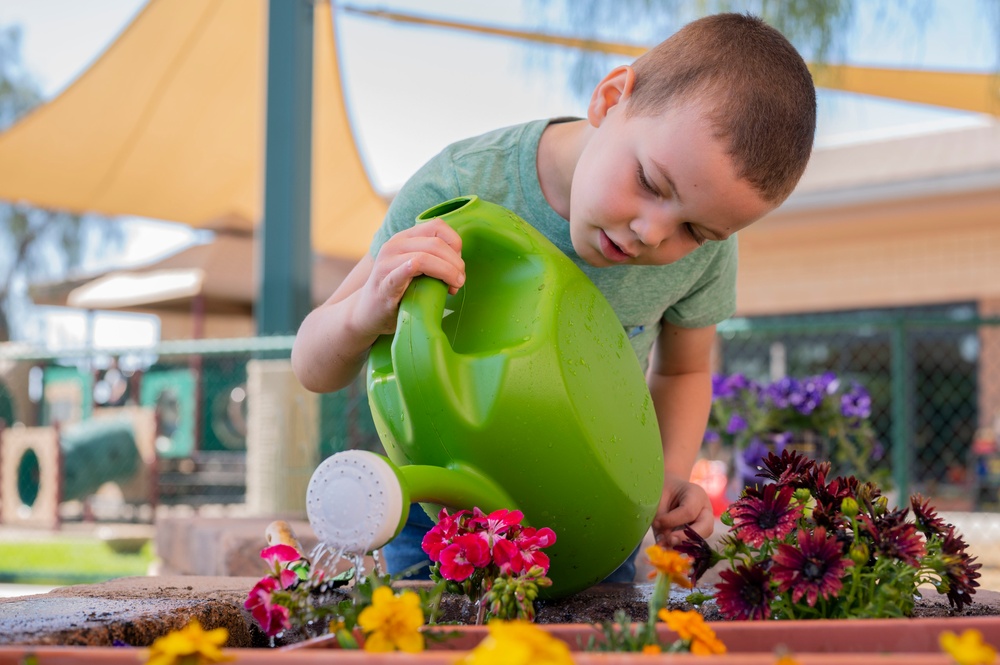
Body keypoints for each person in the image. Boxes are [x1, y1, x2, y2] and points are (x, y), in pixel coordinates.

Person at [292, 12, 816, 581]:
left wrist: (668, 474)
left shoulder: (706, 254)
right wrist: (367, 312)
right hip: (446, 514)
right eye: (650, 183)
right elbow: (312, 366)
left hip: (592, 523)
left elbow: (684, 372)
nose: (654, 232)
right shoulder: (462, 187)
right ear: (611, 98)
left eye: (696, 230)